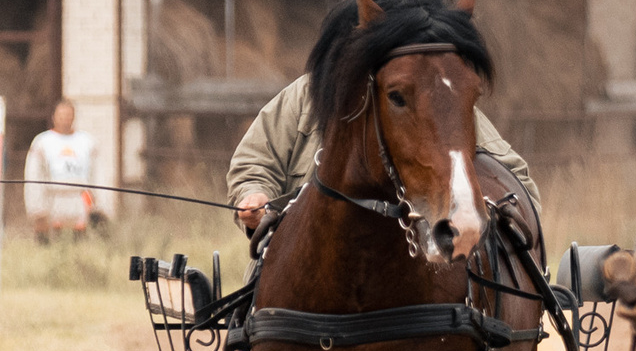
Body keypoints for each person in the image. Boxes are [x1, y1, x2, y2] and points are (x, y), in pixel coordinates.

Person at [228, 64, 538, 234]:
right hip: (295, 271)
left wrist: (473, 204)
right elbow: (255, 162)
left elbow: (514, 181)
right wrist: (254, 194)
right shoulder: (304, 97)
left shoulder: (437, 101)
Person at [24, 100, 110, 240]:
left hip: (79, 199)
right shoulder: (42, 142)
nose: (65, 120)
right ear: (54, 117)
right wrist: (37, 208)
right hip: (53, 199)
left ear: (74, 116)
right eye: (61, 116)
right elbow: (33, 176)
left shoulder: (88, 142)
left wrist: (101, 205)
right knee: (53, 240)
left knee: (80, 240)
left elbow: (98, 175)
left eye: (68, 115)